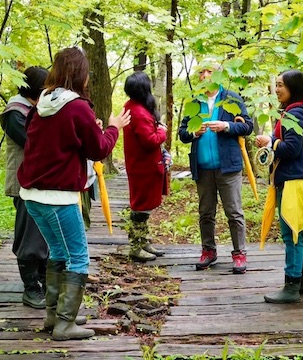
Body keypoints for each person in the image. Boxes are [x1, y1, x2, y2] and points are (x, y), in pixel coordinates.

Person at [17, 47, 131, 340]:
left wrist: (90, 129)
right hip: (58, 197)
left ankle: (55, 315)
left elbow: (56, 141)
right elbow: (99, 149)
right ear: (81, 74)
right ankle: (65, 324)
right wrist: (113, 128)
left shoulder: (43, 101)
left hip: (32, 195)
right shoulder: (77, 106)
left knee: (58, 252)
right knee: (78, 258)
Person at [255, 69, 303, 304]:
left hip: (293, 182)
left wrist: (271, 141)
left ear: (293, 88)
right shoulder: (298, 111)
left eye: (281, 85)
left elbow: (291, 149)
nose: (277, 89)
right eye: (276, 85)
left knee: (292, 234)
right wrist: (272, 141)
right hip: (300, 180)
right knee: (302, 231)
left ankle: (292, 286)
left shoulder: (294, 114)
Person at [178, 63, 253, 274]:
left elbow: (247, 126)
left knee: (234, 212)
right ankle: (208, 251)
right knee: (205, 212)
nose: (205, 75)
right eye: (201, 72)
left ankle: (239, 254)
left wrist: (226, 126)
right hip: (202, 167)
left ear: (218, 74)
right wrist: (194, 132)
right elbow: (182, 133)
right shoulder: (195, 101)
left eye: (209, 71)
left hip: (228, 166)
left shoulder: (231, 98)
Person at [0, 66, 49, 310]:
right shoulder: (15, 113)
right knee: (29, 236)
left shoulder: (33, 109)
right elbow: (34, 144)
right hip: (24, 183)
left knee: (42, 235)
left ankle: (44, 282)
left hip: (39, 181)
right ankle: (31, 288)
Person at [122, 71, 168, 262]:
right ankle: (136, 246)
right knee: (141, 207)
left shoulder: (133, 107)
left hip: (141, 165)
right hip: (143, 167)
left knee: (144, 206)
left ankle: (143, 242)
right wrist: (162, 131)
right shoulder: (138, 112)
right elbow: (150, 140)